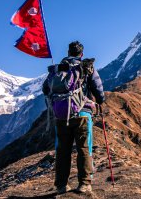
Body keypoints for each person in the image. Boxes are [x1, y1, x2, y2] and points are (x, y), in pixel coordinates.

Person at [42, 41, 106, 194]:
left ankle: (61, 185)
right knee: (84, 148)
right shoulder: (86, 67)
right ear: (81, 54)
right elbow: (98, 89)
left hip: (62, 115)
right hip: (82, 113)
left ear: (68, 52)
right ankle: (84, 184)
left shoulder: (59, 69)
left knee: (62, 150)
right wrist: (100, 100)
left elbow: (45, 88)